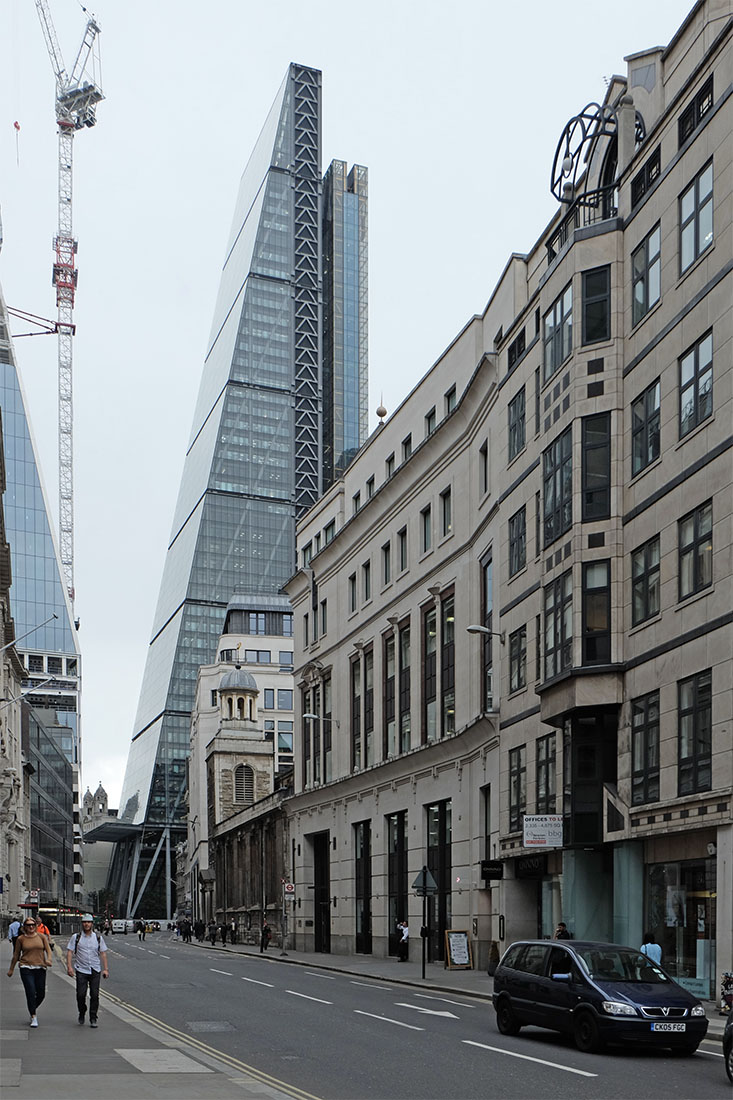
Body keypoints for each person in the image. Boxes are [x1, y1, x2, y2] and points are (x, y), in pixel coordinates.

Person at [6, 916, 53, 1027]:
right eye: (28, 925)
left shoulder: (41, 937)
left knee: (41, 994)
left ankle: (32, 1007)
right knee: (30, 992)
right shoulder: (21, 939)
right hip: (26, 968)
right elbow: (16, 955)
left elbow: (48, 950)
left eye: (33, 924)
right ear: (25, 927)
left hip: (40, 967)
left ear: (36, 926)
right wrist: (11, 969)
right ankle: (33, 1016)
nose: (31, 926)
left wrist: (49, 959)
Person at [66, 914, 109, 1028]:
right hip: (81, 970)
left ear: (92, 924)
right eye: (85, 922)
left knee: (95, 995)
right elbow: (70, 952)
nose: (86, 924)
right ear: (82, 924)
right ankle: (82, 1011)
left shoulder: (98, 938)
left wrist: (105, 969)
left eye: (89, 922)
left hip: (95, 969)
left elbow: (103, 953)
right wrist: (69, 967)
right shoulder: (76, 937)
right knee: (81, 994)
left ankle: (93, 1017)